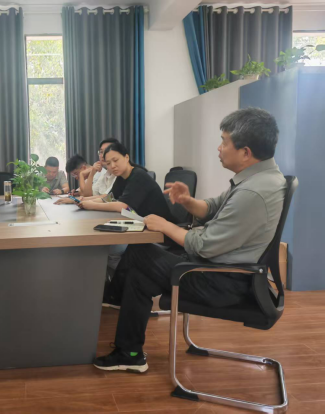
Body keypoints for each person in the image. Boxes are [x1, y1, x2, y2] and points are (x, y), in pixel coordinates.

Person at [93, 108, 287, 374]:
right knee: (139, 277)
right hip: (218, 270)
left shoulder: (254, 192)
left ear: (245, 152)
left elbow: (204, 245)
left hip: (222, 281)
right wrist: (187, 201)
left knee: (139, 252)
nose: (219, 148)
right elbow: (213, 207)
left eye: (224, 142)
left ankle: (113, 301)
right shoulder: (257, 178)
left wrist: (165, 225)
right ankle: (130, 353)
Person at [75, 143, 175, 222]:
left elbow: (123, 206)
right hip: (145, 223)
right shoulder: (121, 177)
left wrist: (91, 205)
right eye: (108, 163)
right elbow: (110, 198)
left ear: (126, 157)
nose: (112, 166)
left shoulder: (138, 175)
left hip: (162, 230)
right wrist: (85, 201)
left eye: (115, 160)